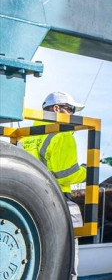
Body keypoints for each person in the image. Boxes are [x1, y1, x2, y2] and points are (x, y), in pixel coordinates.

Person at [20, 91, 87, 279]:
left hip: (33, 200)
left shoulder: (28, 135)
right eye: (70, 109)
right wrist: (86, 172)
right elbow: (65, 174)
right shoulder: (62, 133)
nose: (72, 115)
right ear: (56, 109)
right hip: (60, 200)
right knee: (67, 258)